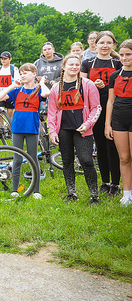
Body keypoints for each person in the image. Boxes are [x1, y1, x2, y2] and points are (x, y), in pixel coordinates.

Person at [48, 54, 101, 203]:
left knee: (86, 160)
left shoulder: (88, 84)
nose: (74, 67)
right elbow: (52, 112)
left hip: (82, 129)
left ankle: (94, 195)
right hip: (64, 129)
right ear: (63, 67)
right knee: (67, 161)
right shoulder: (56, 87)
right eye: (71, 64)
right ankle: (72, 193)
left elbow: (96, 107)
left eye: (77, 65)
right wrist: (52, 131)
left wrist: (88, 124)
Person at [0, 63, 50, 199]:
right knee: (17, 159)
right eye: (21, 73)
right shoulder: (17, 90)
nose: (23, 75)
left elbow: (46, 93)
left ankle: (36, 190)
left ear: (34, 74)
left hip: (32, 128)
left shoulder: (38, 90)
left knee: (33, 158)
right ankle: (15, 189)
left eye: (26, 73)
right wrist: (12, 85)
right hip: (17, 128)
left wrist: (41, 83)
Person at [82, 31, 123, 196]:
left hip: (114, 107)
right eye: (102, 43)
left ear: (113, 45)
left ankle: (116, 183)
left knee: (112, 146)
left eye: (108, 43)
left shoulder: (118, 63)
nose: (105, 46)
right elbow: (82, 86)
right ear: (95, 44)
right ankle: (105, 181)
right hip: (95, 108)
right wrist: (93, 85)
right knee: (100, 145)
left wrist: (106, 87)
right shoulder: (87, 62)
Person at [104, 39, 132, 206]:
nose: (124, 58)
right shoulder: (115, 75)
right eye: (121, 54)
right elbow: (110, 101)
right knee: (124, 157)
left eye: (128, 54)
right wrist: (108, 124)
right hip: (119, 119)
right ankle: (127, 194)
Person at [0, 51, 20, 119]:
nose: (3, 60)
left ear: (10, 59)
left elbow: (17, 81)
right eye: (2, 59)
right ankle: (1, 125)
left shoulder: (13, 69)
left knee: (10, 112)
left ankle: (9, 125)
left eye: (5, 59)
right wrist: (0, 91)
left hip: (10, 94)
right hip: (1, 93)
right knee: (0, 112)